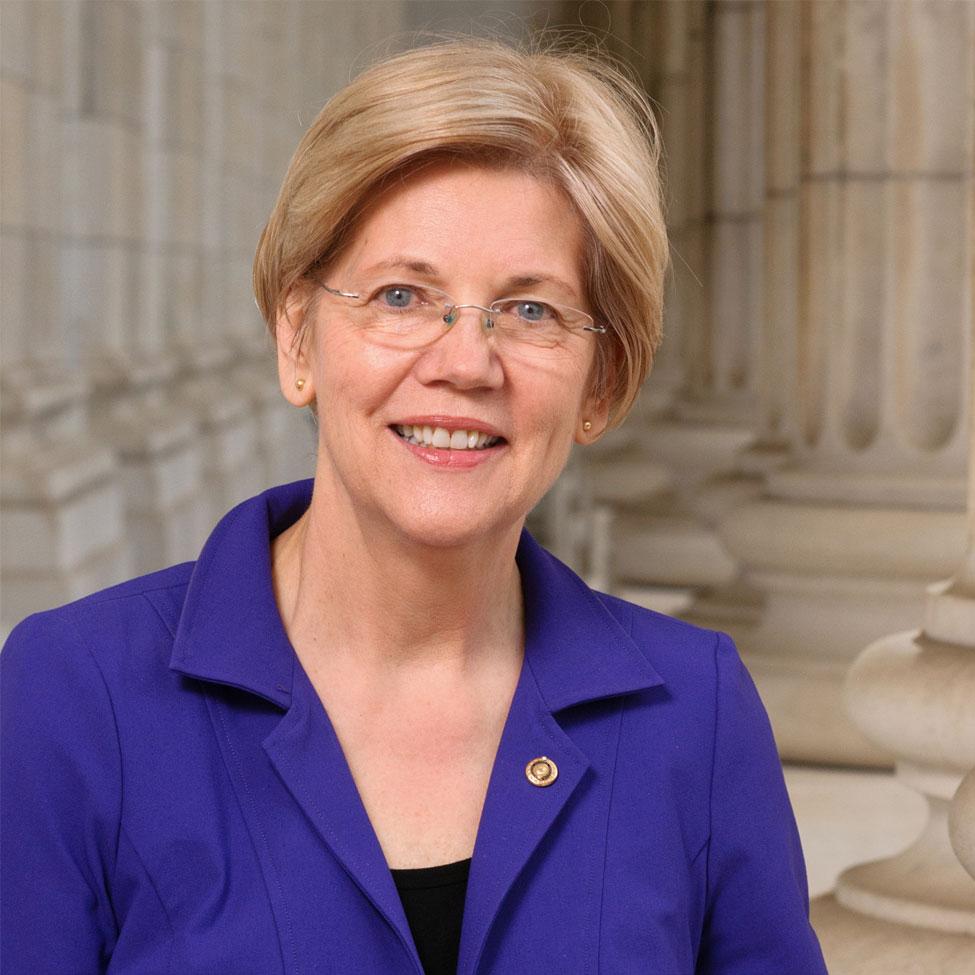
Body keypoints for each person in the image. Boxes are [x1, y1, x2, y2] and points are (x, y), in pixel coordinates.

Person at [1, 37, 827, 975]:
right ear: (297, 338)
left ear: (601, 385)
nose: (464, 362)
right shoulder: (72, 695)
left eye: (530, 311)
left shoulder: (696, 712)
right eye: (402, 295)